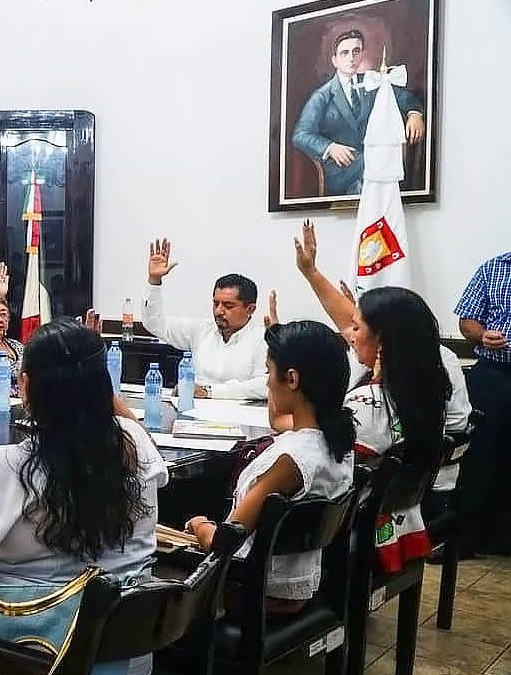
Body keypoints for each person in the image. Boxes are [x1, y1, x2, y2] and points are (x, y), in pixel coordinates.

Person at [0, 318, 168, 674]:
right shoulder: (134, 442)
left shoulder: (5, 467)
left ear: (25, 385)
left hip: (26, 657)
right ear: (103, 386)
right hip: (126, 656)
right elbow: (128, 427)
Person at [290, 220, 450, 571]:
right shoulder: (420, 386)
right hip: (393, 524)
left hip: (345, 532)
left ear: (381, 341)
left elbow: (316, 451)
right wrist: (311, 271)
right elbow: (348, 317)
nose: (349, 333)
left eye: (358, 328)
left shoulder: (368, 406)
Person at [186, 320, 355, 613]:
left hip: (253, 591)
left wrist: (200, 525)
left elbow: (225, 543)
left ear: (292, 379)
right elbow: (281, 421)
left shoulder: (290, 460)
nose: (266, 382)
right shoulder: (336, 441)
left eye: (268, 371)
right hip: (298, 582)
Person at [291, 29, 425, 197]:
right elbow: (300, 134)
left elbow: (404, 97)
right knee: (380, 166)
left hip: (373, 162)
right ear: (335, 60)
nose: (351, 58)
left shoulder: (372, 82)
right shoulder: (322, 95)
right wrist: (330, 147)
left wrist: (414, 113)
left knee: (377, 176)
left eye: (356, 51)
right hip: (341, 167)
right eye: (344, 53)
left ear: (362, 54)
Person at [142, 238, 268, 399]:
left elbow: (264, 386)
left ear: (250, 309)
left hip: (238, 417)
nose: (219, 311)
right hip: (194, 415)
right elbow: (154, 324)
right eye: (216, 303)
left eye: (228, 306)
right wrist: (154, 281)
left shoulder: (262, 339)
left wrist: (209, 392)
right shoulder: (201, 330)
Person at [452, 251, 511, 556]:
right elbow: (467, 321)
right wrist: (482, 335)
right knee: (479, 455)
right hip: (494, 374)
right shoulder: (494, 267)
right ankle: (467, 539)